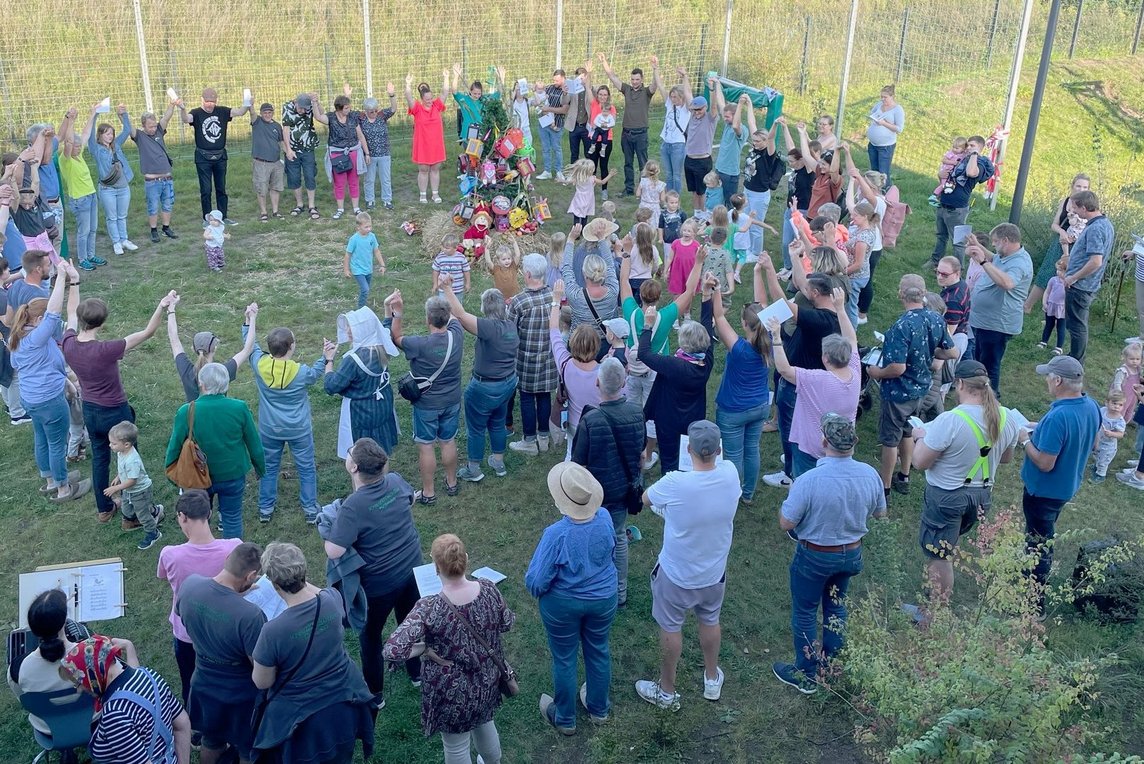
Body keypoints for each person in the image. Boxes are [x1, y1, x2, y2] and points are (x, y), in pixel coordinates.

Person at [773, 414, 886, 694]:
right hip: (851, 554)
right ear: (854, 442)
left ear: (824, 441)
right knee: (836, 608)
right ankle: (831, 667)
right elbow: (881, 513)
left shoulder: (810, 480)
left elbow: (786, 522)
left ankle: (807, 674)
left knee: (806, 612)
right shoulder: (870, 474)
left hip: (815, 556)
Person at [636, 421, 741, 709]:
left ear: (688, 449)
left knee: (671, 628)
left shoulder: (675, 483)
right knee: (710, 620)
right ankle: (711, 678)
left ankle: (667, 692)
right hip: (713, 573)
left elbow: (645, 499)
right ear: (719, 450)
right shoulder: (731, 474)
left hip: (676, 574)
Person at [384, 534, 515, 764]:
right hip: (486, 679)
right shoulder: (488, 588)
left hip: (452, 690)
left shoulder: (429, 607)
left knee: (455, 746)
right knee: (485, 723)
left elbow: (392, 650)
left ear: (436, 568)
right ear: (466, 559)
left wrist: (424, 649)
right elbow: (507, 623)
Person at [908, 361, 1021, 609]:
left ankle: (934, 615)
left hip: (947, 496)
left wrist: (919, 437)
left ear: (959, 384)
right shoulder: (1007, 417)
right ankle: (933, 608)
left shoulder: (951, 419)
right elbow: (1006, 458)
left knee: (940, 556)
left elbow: (919, 462)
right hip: (981, 497)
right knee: (949, 547)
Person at [251, 543, 376, 762]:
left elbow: (262, 682)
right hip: (343, 702)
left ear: (274, 584)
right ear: (304, 573)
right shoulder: (332, 600)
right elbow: (317, 591)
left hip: (302, 720)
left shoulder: (272, 631)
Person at [323, 438, 423, 700]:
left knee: (370, 636)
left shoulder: (353, 507)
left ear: (354, 467)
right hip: (411, 568)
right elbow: (410, 499)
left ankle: (375, 695)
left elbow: (334, 550)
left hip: (378, 585)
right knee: (409, 623)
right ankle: (416, 673)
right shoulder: (396, 481)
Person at [62, 285, 172, 522]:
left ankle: (104, 509)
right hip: (116, 413)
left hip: (90, 411)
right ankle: (132, 515)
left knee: (100, 458)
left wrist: (74, 282)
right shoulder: (107, 349)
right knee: (130, 459)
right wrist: (162, 306)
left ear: (80, 319)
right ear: (101, 323)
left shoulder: (68, 343)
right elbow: (147, 332)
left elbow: (70, 311)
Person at [527, 462, 617, 734]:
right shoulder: (605, 518)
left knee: (564, 657)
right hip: (603, 599)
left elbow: (537, 580)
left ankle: (565, 718)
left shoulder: (556, 534)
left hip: (563, 605)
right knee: (598, 649)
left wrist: (537, 590)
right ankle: (598, 708)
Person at [1019, 356, 1101, 615]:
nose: (1046, 381)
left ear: (1057, 380)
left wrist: (1024, 440)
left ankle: (1034, 605)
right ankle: (1028, 575)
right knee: (1040, 536)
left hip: (1042, 492)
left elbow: (1045, 463)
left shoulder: (1060, 415)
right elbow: (1095, 444)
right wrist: (1038, 428)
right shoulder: (1091, 406)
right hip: (1065, 488)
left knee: (1040, 545)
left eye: (1048, 376)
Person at [866, 274, 956, 498]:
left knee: (890, 440)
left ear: (901, 294)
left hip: (898, 391)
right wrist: (929, 353)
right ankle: (904, 477)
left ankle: (884, 487)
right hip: (922, 388)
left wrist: (877, 372)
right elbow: (952, 352)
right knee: (908, 432)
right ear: (924, 293)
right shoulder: (936, 319)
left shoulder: (901, 325)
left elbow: (897, 368)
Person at [175, 543, 265, 764]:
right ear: (252, 575)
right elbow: (259, 664)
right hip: (239, 696)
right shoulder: (251, 615)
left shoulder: (190, 585)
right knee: (247, 750)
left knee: (211, 741)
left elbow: (181, 612)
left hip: (203, 682)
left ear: (227, 560)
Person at [9, 260, 91, 501]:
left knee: (41, 438)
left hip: (31, 399)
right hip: (48, 399)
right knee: (57, 442)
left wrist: (72, 282)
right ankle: (64, 488)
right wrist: (63, 278)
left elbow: (66, 317)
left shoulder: (18, 338)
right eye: (44, 319)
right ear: (38, 319)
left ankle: (50, 479)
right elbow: (55, 312)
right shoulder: (36, 338)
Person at [157, 490, 244, 716]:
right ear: (210, 514)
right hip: (224, 628)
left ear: (182, 516)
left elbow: (163, 576)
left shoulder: (170, 554)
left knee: (190, 679)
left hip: (187, 631)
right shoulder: (234, 547)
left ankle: (195, 724)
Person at [619, 241, 705, 471]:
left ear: (641, 297)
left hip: (632, 369)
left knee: (632, 409)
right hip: (655, 372)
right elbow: (689, 292)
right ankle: (646, 454)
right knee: (653, 413)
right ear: (658, 298)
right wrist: (698, 263)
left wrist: (626, 253)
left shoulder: (630, 311)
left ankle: (630, 448)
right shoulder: (666, 316)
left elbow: (624, 283)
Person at [8, 590, 113, 764]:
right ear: (65, 621)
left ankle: (66, 748)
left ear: (31, 628)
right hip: (94, 722)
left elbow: (22, 697)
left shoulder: (19, 669)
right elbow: (110, 688)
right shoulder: (92, 655)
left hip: (48, 729)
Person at [571, 357, 645, 606]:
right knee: (618, 537)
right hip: (624, 490)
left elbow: (578, 464)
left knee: (591, 539)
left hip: (597, 494)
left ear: (597, 383)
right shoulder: (637, 413)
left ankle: (593, 588)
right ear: (624, 382)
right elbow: (642, 453)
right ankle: (619, 593)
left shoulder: (590, 421)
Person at [768, 286, 861, 479]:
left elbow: (784, 370)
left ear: (825, 358)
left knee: (803, 484)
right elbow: (851, 338)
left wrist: (776, 337)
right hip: (839, 445)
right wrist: (841, 309)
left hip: (810, 447)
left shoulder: (817, 379)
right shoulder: (855, 370)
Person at [164, 363, 265, 539]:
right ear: (226, 384)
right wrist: (260, 468)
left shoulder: (186, 411)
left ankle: (205, 552)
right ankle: (233, 559)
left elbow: (174, 447)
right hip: (233, 474)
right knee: (232, 517)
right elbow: (254, 443)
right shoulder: (239, 408)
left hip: (198, 477)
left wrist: (173, 474)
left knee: (200, 519)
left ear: (201, 384)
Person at [244, 325, 332, 524]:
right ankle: (310, 509)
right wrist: (326, 357)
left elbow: (250, 346)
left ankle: (265, 509)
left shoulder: (259, 364)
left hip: (269, 429)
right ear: (291, 347)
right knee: (306, 467)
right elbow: (316, 373)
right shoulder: (301, 372)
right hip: (298, 429)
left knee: (268, 467)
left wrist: (248, 323)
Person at [435, 280, 519, 481]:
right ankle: (498, 463)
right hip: (507, 384)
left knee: (476, 429)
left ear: (484, 307)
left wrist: (446, 288)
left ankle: (474, 469)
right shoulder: (511, 326)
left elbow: (462, 316)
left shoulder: (489, 328)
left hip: (484, 387)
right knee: (498, 424)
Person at [61, 636, 191, 764]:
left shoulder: (115, 715)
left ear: (93, 674)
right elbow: (182, 724)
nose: (78, 689)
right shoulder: (149, 676)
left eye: (79, 681)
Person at [388, 291, 465, 504]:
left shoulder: (418, 344)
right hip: (451, 400)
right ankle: (451, 483)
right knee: (448, 441)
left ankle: (429, 492)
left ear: (427, 319)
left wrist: (398, 313)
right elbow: (455, 316)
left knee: (426, 445)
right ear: (447, 316)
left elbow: (396, 338)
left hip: (426, 404)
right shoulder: (456, 335)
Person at [640, 275, 717, 474]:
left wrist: (647, 325)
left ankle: (671, 488)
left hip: (668, 420)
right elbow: (707, 325)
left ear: (684, 344)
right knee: (688, 457)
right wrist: (707, 294)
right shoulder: (706, 360)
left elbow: (644, 354)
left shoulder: (673, 365)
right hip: (693, 417)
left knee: (669, 459)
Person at [712, 266, 770, 503]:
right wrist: (759, 274)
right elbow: (763, 308)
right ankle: (747, 494)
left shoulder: (739, 349)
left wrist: (716, 290)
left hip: (733, 409)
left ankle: (732, 496)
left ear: (745, 324)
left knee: (733, 454)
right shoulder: (771, 342)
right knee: (752, 449)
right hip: (760, 405)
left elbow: (719, 317)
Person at [966, 223, 1034, 396]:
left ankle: (990, 401)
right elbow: (994, 259)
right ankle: (978, 397)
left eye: (996, 242)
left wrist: (981, 261)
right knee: (979, 361)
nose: (993, 245)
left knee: (989, 366)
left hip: (997, 324)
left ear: (1005, 240)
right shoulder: (1006, 256)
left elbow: (1007, 283)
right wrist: (977, 246)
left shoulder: (1019, 263)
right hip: (984, 321)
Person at [325, 306, 400, 456]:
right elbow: (384, 328)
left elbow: (331, 386)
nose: (348, 332)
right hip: (382, 407)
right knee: (381, 452)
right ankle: (382, 479)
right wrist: (386, 307)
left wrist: (329, 360)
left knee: (362, 458)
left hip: (362, 414)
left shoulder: (353, 361)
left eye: (352, 328)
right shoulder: (382, 345)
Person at [508, 253, 559, 455]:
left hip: (525, 358)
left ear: (527, 274)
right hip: (548, 356)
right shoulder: (553, 297)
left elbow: (509, 332)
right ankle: (544, 436)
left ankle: (529, 440)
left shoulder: (519, 302)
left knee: (527, 397)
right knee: (545, 395)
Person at [181, 87, 251, 225]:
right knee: (206, 190)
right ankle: (206, 219)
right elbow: (185, 119)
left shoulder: (222, 111)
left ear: (216, 101)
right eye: (207, 101)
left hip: (220, 156)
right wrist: (182, 108)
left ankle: (223, 217)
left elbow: (240, 112)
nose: (210, 104)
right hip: (202, 158)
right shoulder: (196, 113)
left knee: (221, 188)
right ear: (202, 100)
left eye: (212, 101)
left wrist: (247, 102)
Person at [166, 299, 257, 403]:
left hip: (194, 417)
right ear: (215, 348)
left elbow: (174, 339)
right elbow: (248, 349)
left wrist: (171, 309)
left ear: (193, 348)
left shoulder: (186, 371)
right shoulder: (223, 371)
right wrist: (251, 319)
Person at [1025, 174, 1091, 313]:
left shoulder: (1088, 207)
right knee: (1047, 272)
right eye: (1078, 186)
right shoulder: (1066, 201)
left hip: (1077, 246)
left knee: (1067, 279)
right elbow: (1054, 224)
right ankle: (1028, 305)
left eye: (1085, 187)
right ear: (1072, 186)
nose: (1081, 189)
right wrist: (1062, 233)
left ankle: (1057, 313)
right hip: (1060, 242)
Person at [1063, 190, 1113, 364]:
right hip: (1085, 285)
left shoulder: (1096, 228)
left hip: (1081, 286)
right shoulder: (1104, 223)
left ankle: (1076, 362)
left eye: (1075, 208)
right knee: (1077, 324)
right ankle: (1074, 357)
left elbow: (1096, 261)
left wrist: (1073, 277)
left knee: (1077, 326)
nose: (1074, 212)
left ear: (1084, 208)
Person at [596, 53, 657, 196]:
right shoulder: (627, 90)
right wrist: (604, 61)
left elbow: (655, 85)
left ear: (642, 79)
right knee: (628, 163)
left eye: (637, 79)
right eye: (633, 79)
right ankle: (629, 189)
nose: (634, 82)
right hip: (627, 133)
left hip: (641, 133)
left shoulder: (647, 92)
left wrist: (655, 68)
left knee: (643, 163)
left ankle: (644, 190)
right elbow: (612, 76)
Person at [930, 135, 994, 268]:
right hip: (944, 202)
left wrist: (974, 154)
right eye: (968, 145)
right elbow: (947, 176)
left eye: (973, 146)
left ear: (980, 148)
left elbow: (971, 173)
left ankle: (957, 268)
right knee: (941, 235)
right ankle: (935, 260)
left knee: (958, 241)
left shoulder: (979, 163)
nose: (969, 148)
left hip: (957, 208)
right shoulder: (961, 159)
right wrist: (940, 176)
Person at [57, 107, 105, 271]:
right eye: (75, 146)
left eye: (79, 146)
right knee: (83, 231)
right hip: (80, 199)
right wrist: (71, 121)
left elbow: (85, 134)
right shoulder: (66, 159)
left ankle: (91, 255)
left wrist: (92, 113)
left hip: (91, 196)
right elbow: (69, 141)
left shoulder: (79, 155)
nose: (78, 148)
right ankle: (83, 258)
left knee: (92, 229)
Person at [106, 420, 164, 549]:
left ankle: (153, 534)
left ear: (126, 444)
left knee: (142, 515)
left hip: (139, 491)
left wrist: (116, 487)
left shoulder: (132, 460)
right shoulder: (121, 452)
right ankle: (155, 511)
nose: (110, 446)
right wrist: (118, 477)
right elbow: (123, 470)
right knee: (127, 510)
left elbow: (133, 480)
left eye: (114, 443)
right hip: (128, 490)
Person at [129, 101, 180, 243]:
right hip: (152, 181)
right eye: (150, 126)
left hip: (167, 179)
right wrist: (123, 115)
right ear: (143, 126)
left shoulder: (159, 130)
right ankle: (153, 230)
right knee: (152, 206)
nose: (153, 128)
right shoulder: (139, 136)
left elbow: (166, 118)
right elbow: (129, 128)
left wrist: (172, 105)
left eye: (154, 125)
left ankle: (166, 228)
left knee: (167, 204)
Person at [89, 104, 137, 255]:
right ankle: (116, 242)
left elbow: (127, 130)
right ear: (100, 135)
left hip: (123, 187)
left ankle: (124, 240)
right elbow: (89, 135)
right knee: (112, 217)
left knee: (122, 216)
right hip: (107, 188)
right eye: (107, 133)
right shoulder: (96, 149)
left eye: (111, 133)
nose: (110, 136)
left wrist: (124, 114)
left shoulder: (116, 145)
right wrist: (94, 115)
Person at [316, 88, 368, 219]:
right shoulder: (331, 118)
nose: (349, 110)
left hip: (353, 152)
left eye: (349, 107)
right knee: (339, 182)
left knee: (354, 180)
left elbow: (360, 136)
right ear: (339, 109)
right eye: (346, 108)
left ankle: (356, 208)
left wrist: (366, 153)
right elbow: (318, 117)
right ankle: (340, 209)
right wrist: (314, 102)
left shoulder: (352, 118)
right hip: (338, 154)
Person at [562, 219, 621, 334]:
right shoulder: (613, 291)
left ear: (584, 272)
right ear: (604, 273)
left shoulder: (574, 295)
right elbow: (610, 265)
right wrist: (602, 239)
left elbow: (567, 268)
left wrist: (571, 239)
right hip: (606, 343)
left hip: (580, 344)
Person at [679, 71, 720, 217]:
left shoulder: (710, 118)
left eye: (700, 109)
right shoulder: (692, 115)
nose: (697, 112)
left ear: (705, 107)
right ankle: (697, 214)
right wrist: (685, 77)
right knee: (694, 191)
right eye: (695, 110)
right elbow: (688, 93)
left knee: (702, 191)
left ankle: (704, 214)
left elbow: (714, 107)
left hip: (703, 160)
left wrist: (712, 88)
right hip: (689, 159)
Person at [405, 72, 450, 204]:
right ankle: (423, 194)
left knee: (435, 168)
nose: (430, 101)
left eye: (431, 98)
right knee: (423, 169)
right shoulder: (417, 108)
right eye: (427, 99)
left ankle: (435, 194)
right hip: (423, 144)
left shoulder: (437, 105)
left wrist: (446, 77)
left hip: (436, 144)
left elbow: (445, 92)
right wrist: (408, 84)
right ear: (422, 99)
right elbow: (408, 97)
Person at [281, 93, 322, 220]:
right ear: (296, 103)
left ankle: (312, 205)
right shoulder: (287, 107)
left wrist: (316, 102)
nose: (303, 111)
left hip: (308, 147)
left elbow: (320, 114)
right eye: (301, 108)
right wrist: (288, 149)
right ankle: (299, 204)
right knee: (294, 176)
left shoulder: (310, 107)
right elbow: (286, 129)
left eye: (305, 109)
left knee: (310, 175)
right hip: (293, 149)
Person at [360, 86, 398, 210]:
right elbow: (346, 113)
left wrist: (391, 95)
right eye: (371, 111)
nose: (374, 113)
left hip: (384, 153)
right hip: (369, 155)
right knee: (369, 179)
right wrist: (347, 95)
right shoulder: (361, 119)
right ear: (365, 111)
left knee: (386, 179)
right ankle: (370, 200)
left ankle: (387, 200)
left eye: (375, 110)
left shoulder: (382, 116)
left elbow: (393, 109)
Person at [653, 74, 689, 194]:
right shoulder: (669, 105)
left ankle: (676, 198)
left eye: (675, 97)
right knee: (668, 174)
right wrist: (655, 69)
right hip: (666, 143)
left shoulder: (686, 109)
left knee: (676, 175)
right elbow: (661, 87)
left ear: (682, 97)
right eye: (672, 97)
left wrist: (684, 77)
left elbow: (689, 94)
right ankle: (669, 198)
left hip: (678, 145)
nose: (673, 99)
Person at [250, 103, 287, 221]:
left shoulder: (277, 126)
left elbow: (281, 142)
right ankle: (264, 212)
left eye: (269, 112)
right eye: (265, 113)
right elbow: (251, 113)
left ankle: (275, 211)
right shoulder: (257, 122)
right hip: (261, 162)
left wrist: (288, 153)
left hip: (276, 161)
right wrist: (250, 104)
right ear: (261, 113)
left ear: (272, 113)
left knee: (275, 187)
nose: (267, 115)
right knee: (261, 187)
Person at [713, 88, 749, 203]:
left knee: (729, 203)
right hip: (719, 168)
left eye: (727, 116)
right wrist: (717, 84)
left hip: (730, 174)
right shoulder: (727, 124)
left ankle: (729, 221)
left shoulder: (741, 130)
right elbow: (720, 103)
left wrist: (740, 105)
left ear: (735, 116)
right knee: (718, 199)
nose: (725, 118)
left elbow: (735, 126)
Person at [865, 85, 904, 190]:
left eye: (885, 97)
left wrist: (884, 123)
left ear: (892, 96)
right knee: (874, 171)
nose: (882, 99)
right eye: (881, 97)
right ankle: (875, 192)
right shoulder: (879, 105)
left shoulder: (897, 110)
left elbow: (899, 129)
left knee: (883, 172)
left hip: (886, 146)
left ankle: (886, 193)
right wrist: (874, 120)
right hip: (873, 144)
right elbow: (871, 114)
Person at [344, 211, 386, 308]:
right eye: (366, 227)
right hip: (358, 269)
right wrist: (346, 269)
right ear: (358, 227)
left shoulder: (372, 237)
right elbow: (347, 254)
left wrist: (382, 265)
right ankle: (361, 308)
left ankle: (363, 304)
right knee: (365, 289)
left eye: (370, 226)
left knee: (366, 289)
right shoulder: (354, 239)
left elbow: (376, 251)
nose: (369, 229)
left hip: (368, 268)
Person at [1092, 391, 1127, 483]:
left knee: (1103, 460)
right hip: (1098, 440)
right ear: (1107, 403)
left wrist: (1112, 434)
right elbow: (1096, 417)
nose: (1117, 407)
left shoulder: (1119, 421)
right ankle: (1096, 466)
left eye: (1120, 405)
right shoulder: (1103, 410)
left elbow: (1121, 434)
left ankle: (1100, 475)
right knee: (1096, 455)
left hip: (1108, 446)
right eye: (1114, 403)